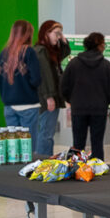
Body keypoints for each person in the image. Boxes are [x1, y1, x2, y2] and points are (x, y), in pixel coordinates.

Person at [60, 32, 110, 161]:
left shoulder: (74, 64)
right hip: (99, 110)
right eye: (103, 44)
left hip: (78, 109)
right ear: (99, 46)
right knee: (97, 143)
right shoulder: (106, 66)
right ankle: (98, 168)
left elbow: (63, 86)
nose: (104, 47)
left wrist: (71, 100)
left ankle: (76, 169)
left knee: (78, 144)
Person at [0, 20, 43, 151]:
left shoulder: (3, 53)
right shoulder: (29, 52)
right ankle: (26, 170)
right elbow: (36, 79)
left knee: (13, 147)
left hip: (9, 106)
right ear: (28, 34)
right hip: (28, 105)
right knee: (28, 148)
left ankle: (14, 170)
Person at [32, 20, 71, 156]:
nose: (58, 36)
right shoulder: (41, 51)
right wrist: (49, 97)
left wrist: (63, 40)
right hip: (46, 98)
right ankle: (43, 162)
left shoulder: (48, 51)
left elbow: (63, 54)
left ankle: (45, 159)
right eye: (56, 33)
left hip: (48, 97)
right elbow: (45, 76)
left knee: (47, 132)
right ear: (46, 33)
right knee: (46, 133)